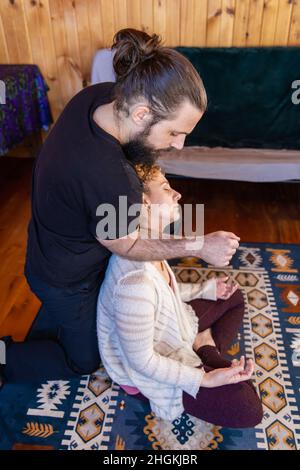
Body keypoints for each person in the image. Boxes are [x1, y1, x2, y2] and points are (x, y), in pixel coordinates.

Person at [0, 28, 239, 386]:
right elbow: (126, 244)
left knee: (87, 323)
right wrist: (199, 245)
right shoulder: (110, 177)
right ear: (142, 113)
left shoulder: (100, 98)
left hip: (53, 242)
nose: (178, 145)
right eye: (174, 132)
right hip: (64, 280)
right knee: (81, 361)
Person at [97, 164, 263, 428]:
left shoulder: (151, 244)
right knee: (248, 410)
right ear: (144, 203)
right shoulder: (133, 283)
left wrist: (205, 290)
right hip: (146, 372)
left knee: (231, 297)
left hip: (174, 329)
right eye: (166, 188)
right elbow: (141, 362)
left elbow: (166, 296)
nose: (177, 194)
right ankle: (207, 351)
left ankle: (202, 343)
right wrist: (204, 379)